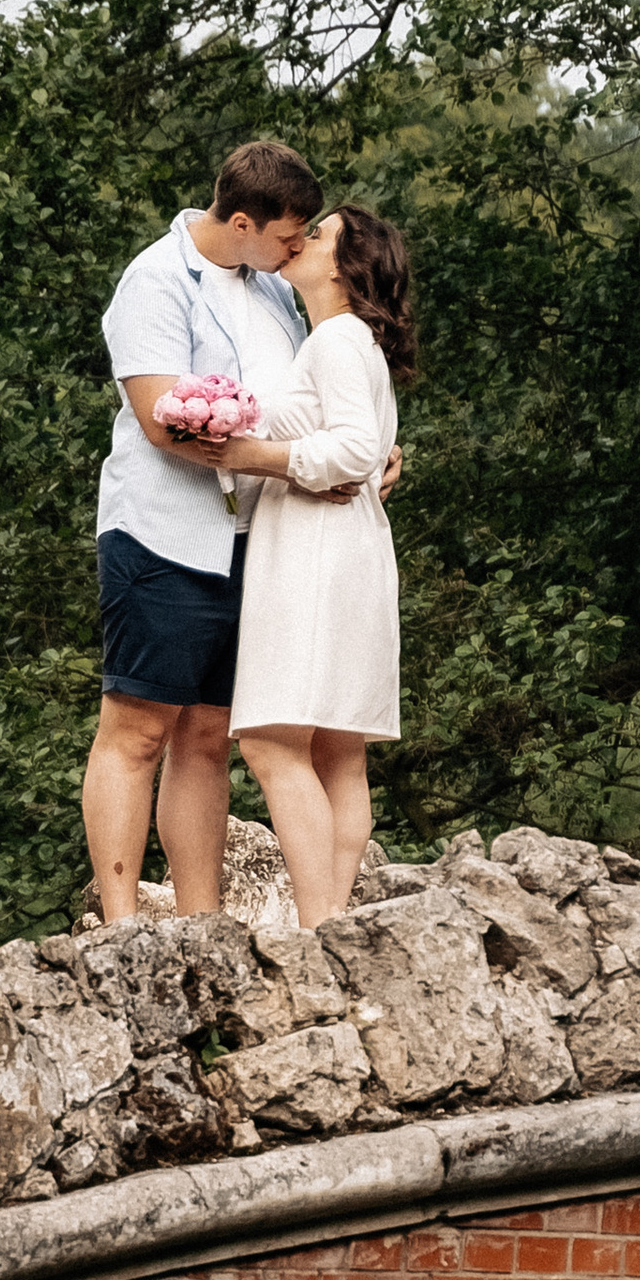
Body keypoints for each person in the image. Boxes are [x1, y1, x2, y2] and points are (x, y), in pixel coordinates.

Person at [83, 139, 321, 921]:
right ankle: (121, 925)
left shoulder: (274, 293)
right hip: (164, 536)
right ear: (244, 221)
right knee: (139, 729)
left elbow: (308, 399)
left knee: (211, 735)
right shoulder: (155, 281)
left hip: (257, 542)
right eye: (290, 237)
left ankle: (201, 921)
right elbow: (161, 420)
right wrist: (289, 459)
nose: (297, 253)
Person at [220, 207, 411, 926]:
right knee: (338, 751)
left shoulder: (335, 339)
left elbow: (357, 449)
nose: (300, 239)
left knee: (273, 740)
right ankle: (331, 921)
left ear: (343, 265)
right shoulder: (351, 342)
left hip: (314, 553)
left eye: (321, 234)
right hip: (349, 545)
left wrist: (254, 455)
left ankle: (317, 925)